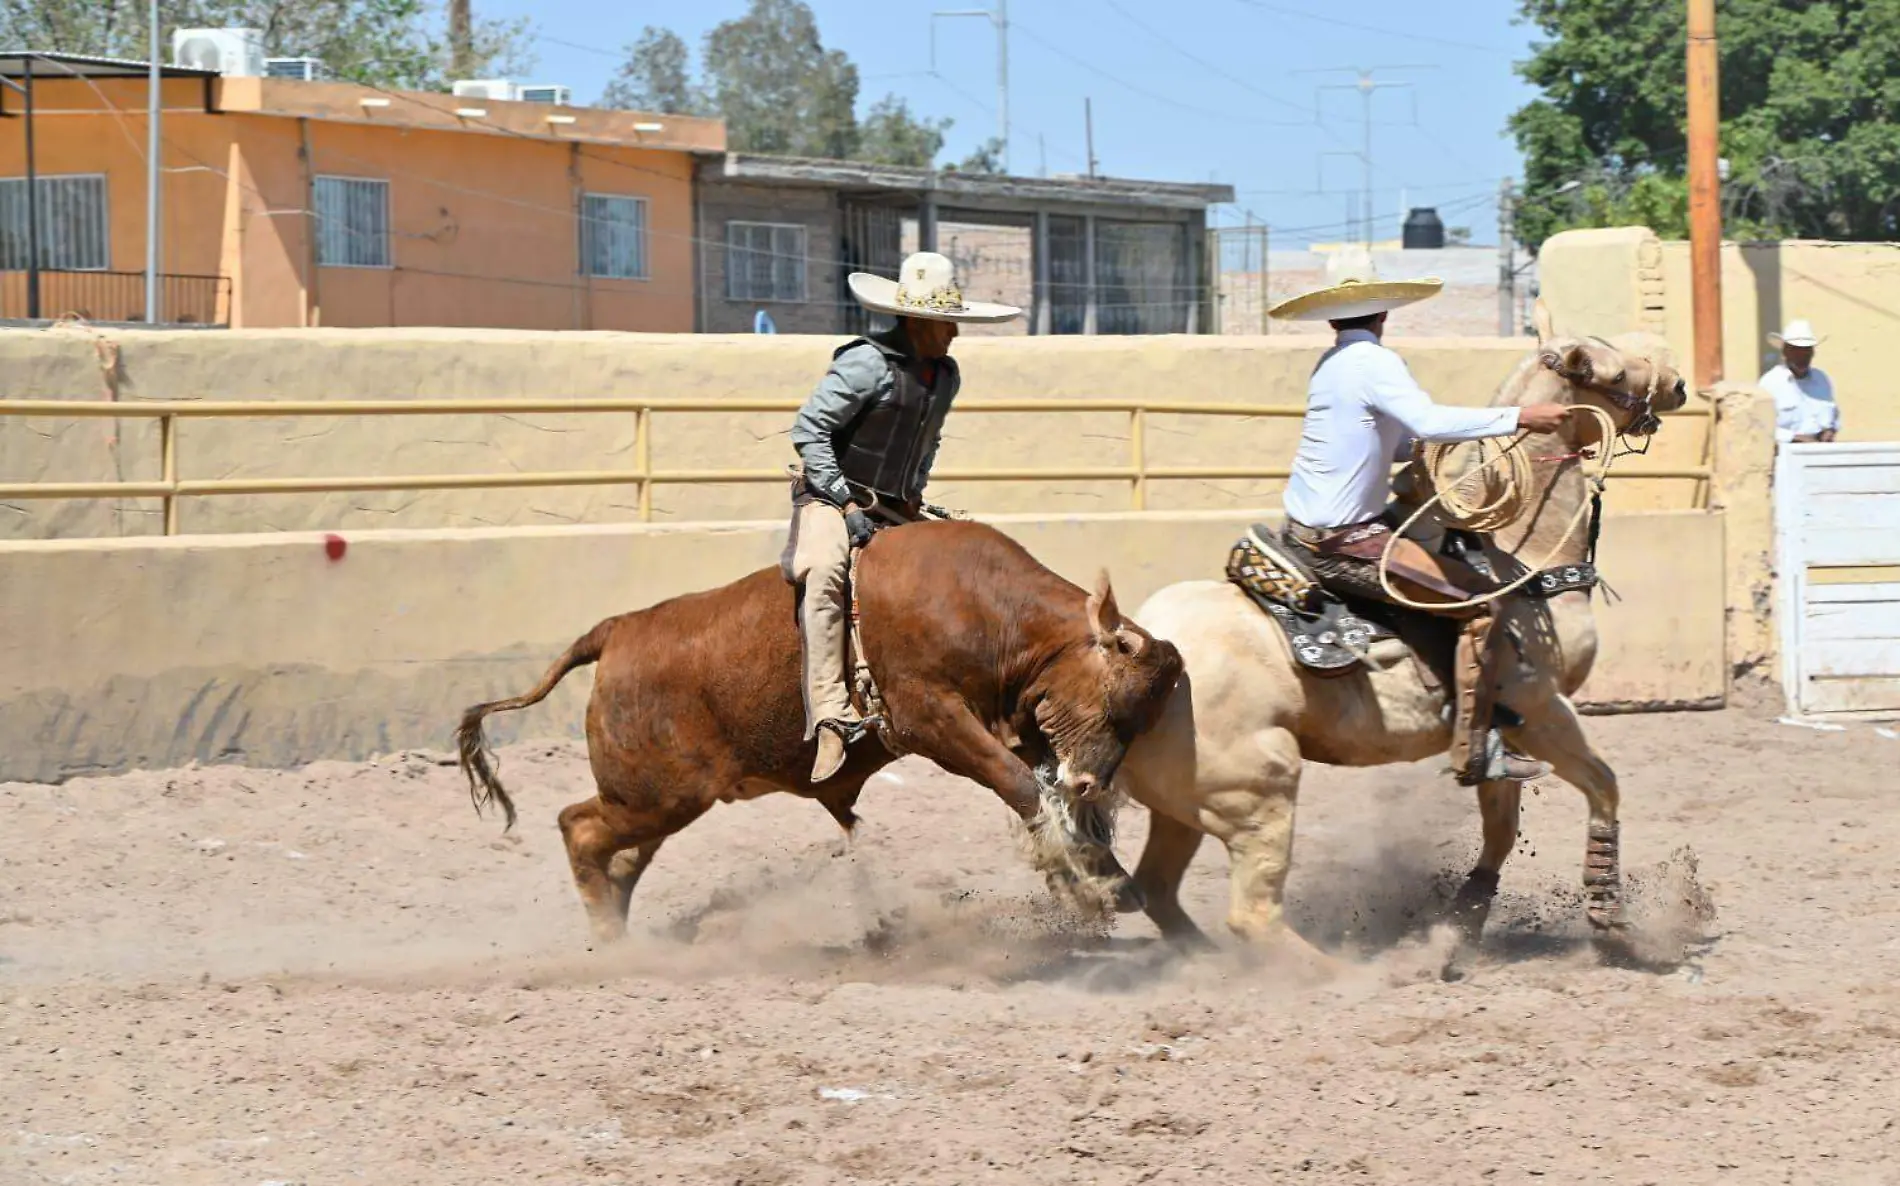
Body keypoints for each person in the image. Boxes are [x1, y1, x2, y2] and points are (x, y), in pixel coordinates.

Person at [1266, 248, 1574, 785]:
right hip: (1347, 541)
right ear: (1384, 312)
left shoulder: (1332, 363)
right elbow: (1427, 422)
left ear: (1334, 318)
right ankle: (1478, 748)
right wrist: (1520, 417)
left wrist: (1445, 444)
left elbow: (1401, 438)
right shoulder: (1376, 362)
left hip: (1301, 531)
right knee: (1484, 604)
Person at [783, 250, 1021, 782]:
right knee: (824, 573)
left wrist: (912, 499)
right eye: (946, 323)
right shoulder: (864, 363)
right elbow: (809, 431)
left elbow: (927, 444)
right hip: (829, 499)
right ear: (916, 321)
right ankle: (830, 717)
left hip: (894, 506)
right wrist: (844, 505)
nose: (955, 333)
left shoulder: (945, 376)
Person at [1759, 319, 1840, 444]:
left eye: (1806, 351)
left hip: (1821, 453)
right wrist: (1795, 438)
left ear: (1812, 353)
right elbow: (1762, 426)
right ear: (1785, 352)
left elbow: (1834, 416)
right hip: (1786, 455)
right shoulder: (1771, 383)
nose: (1802, 356)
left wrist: (1830, 430)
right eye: (1796, 351)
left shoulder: (1821, 379)